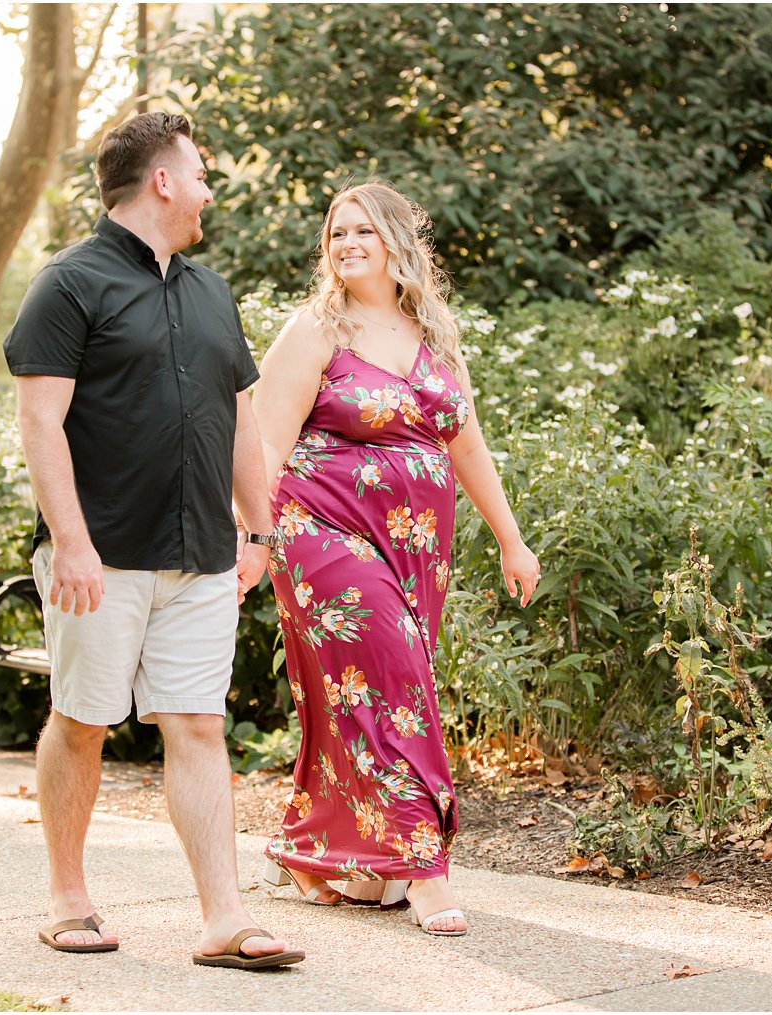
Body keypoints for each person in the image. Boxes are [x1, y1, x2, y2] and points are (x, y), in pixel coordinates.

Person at [2, 112, 301, 970]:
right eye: (200, 174)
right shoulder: (68, 284)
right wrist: (69, 540)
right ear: (162, 181)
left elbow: (241, 424)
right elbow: (39, 420)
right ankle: (67, 896)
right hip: (100, 559)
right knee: (84, 719)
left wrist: (258, 530)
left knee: (200, 725)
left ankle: (225, 918)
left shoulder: (212, 293)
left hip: (204, 556)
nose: (209, 190)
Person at [250, 182, 541, 936]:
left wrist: (512, 537)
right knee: (397, 684)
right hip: (319, 532)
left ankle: (352, 859)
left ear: (397, 242)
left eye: (362, 231)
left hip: (417, 550)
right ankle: (423, 866)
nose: (346, 243)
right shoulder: (316, 330)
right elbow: (263, 445)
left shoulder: (435, 332)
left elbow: (466, 443)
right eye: (336, 232)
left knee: (370, 692)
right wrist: (248, 540)